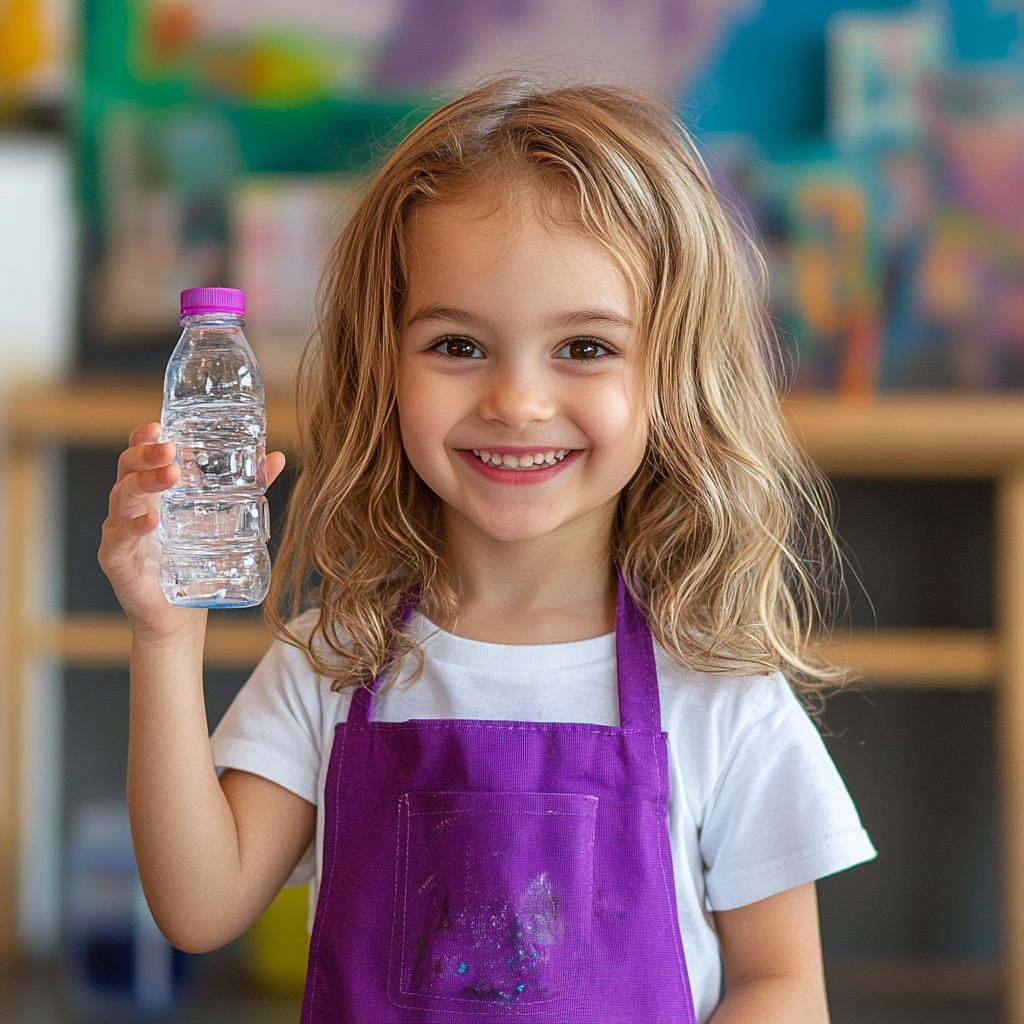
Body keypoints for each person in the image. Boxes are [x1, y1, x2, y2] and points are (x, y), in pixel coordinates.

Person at [99, 79, 875, 1023]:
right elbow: (197, 905)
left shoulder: (719, 688)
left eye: (584, 348)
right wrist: (165, 638)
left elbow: (781, 986)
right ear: (382, 365)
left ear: (672, 376)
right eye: (458, 344)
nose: (516, 400)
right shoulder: (330, 661)